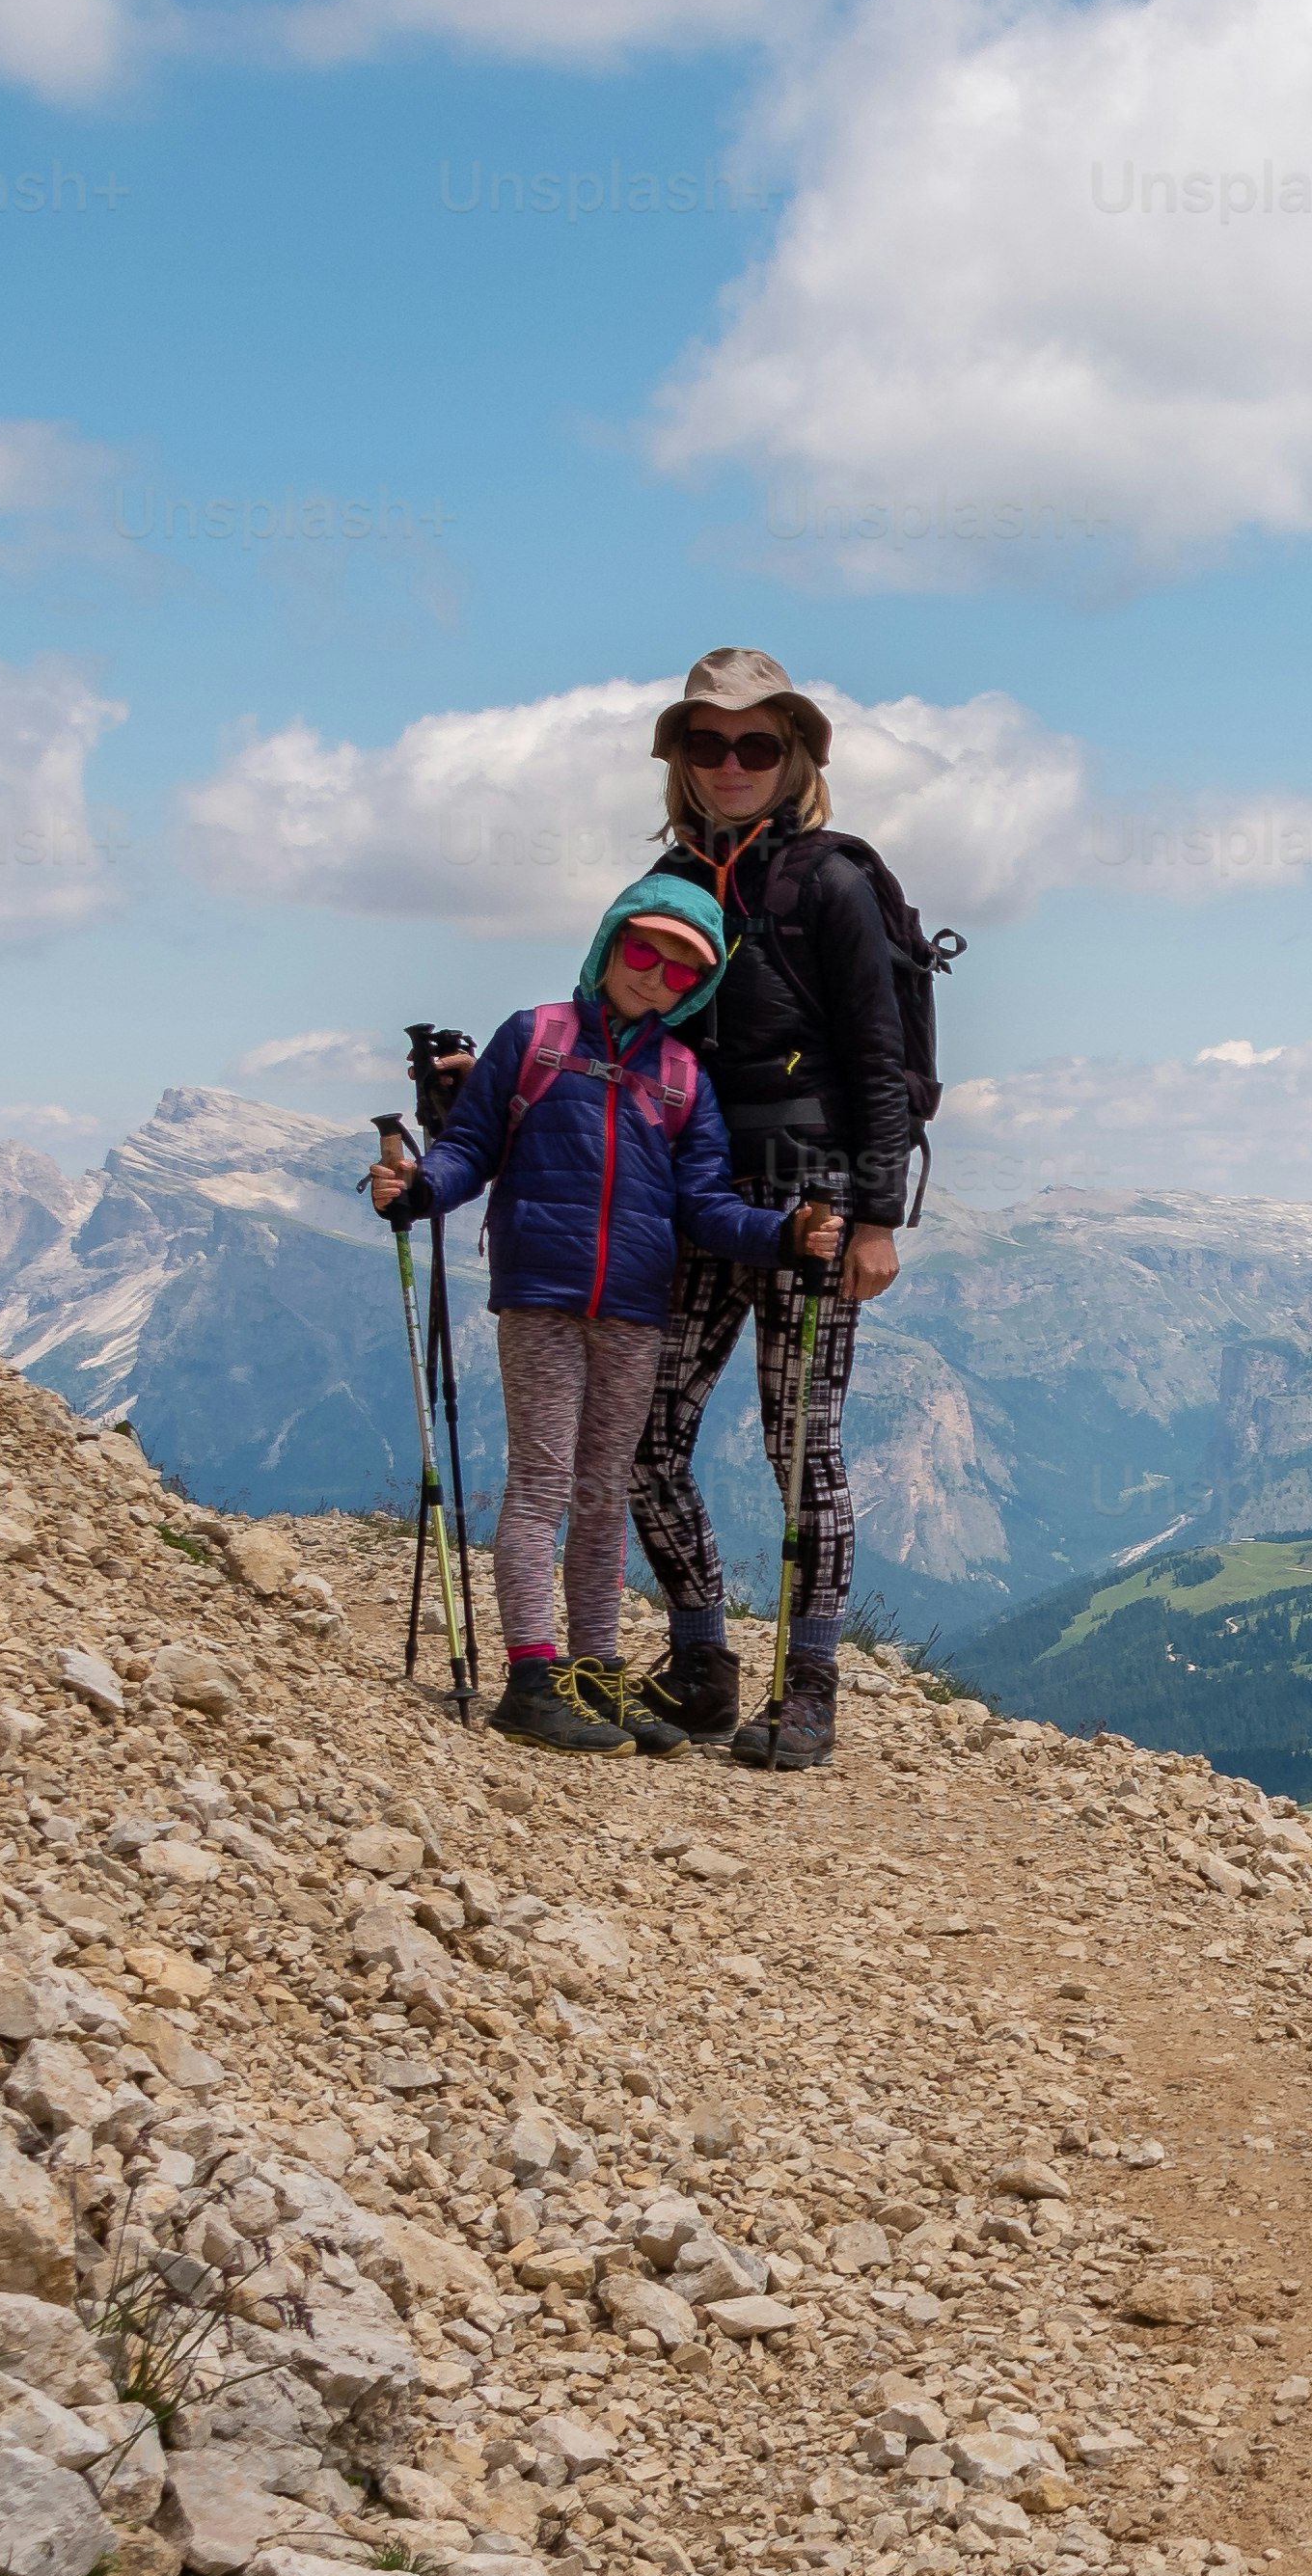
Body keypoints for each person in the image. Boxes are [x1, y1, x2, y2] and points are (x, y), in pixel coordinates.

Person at [363, 876, 834, 1756]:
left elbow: (704, 1206)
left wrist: (784, 1236)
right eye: (642, 949)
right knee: (544, 1484)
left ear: (699, 984)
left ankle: (593, 1673)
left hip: (633, 1309)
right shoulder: (535, 1036)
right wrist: (420, 1190)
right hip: (541, 1296)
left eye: (681, 966)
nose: (655, 974)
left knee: (601, 1495)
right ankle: (531, 1678)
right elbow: (470, 1147)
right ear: (610, 943)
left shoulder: (683, 1075)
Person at [617, 647, 941, 1771]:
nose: (732, 761)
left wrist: (878, 1218)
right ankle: (704, 1664)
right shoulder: (667, 887)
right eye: (709, 743)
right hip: (695, 1198)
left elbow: (881, 1057)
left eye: (758, 743)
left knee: (801, 1448)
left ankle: (807, 1691)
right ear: (683, 762)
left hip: (812, 1200)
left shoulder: (834, 882)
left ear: (794, 755)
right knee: (643, 1435)